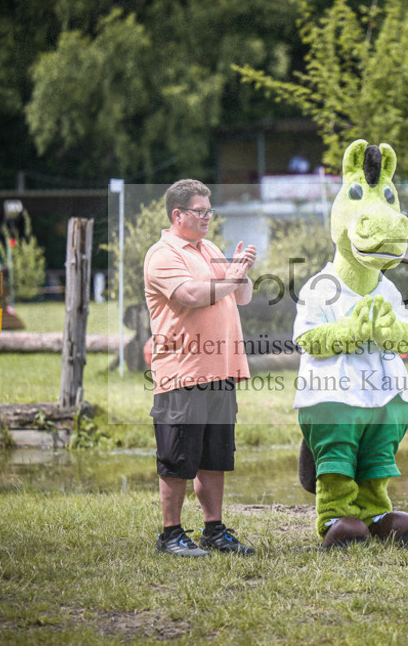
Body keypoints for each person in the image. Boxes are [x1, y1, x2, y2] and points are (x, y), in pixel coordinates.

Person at [143, 179, 258, 557]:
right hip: (182, 371)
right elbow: (191, 295)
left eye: (210, 210)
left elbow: (241, 296)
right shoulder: (163, 255)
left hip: (220, 370)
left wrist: (241, 271)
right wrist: (230, 277)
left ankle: (214, 530)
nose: (208, 217)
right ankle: (171, 535)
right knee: (177, 458)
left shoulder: (208, 248)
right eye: (200, 211)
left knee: (215, 457)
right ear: (178, 215)